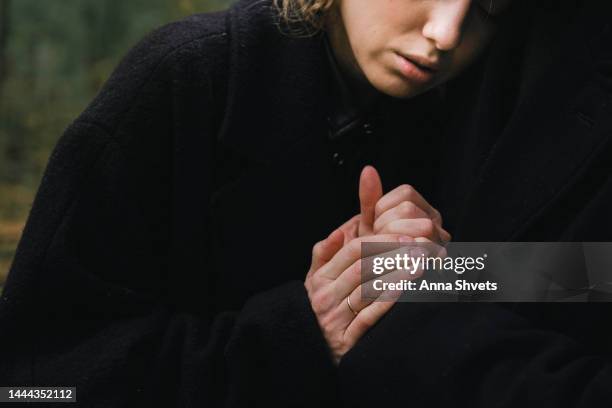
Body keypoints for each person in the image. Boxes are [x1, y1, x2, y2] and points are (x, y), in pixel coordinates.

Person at [1, 0, 612, 406]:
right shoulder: (187, 81)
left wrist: (439, 272)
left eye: (487, 8)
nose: (445, 34)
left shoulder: (483, 107)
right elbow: (34, 385)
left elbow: (579, 278)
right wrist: (305, 329)